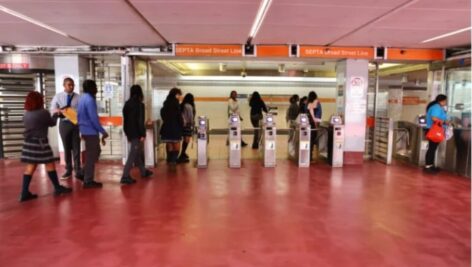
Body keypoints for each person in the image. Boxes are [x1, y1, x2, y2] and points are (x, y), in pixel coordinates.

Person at [19, 92, 72, 202]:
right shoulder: (42, 112)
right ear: (39, 100)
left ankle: (24, 193)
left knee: (30, 167)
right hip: (40, 143)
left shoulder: (26, 114)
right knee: (50, 164)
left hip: (29, 143)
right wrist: (56, 114)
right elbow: (52, 123)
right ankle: (57, 188)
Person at [77, 80, 108, 188]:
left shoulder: (82, 98)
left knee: (95, 152)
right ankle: (88, 180)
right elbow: (94, 119)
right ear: (91, 88)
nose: (97, 89)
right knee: (91, 156)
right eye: (95, 87)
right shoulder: (90, 100)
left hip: (84, 130)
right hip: (90, 131)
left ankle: (82, 173)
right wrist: (103, 131)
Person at [50, 77, 83, 180]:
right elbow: (52, 109)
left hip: (75, 124)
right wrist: (58, 111)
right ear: (64, 85)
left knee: (76, 147)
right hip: (64, 124)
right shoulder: (58, 97)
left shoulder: (78, 97)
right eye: (69, 85)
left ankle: (78, 170)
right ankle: (68, 170)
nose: (71, 86)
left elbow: (82, 110)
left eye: (73, 85)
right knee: (66, 147)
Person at [121, 85, 154, 184]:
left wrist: (127, 133)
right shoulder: (140, 105)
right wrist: (143, 134)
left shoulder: (127, 104)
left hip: (129, 132)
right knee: (133, 154)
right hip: (136, 133)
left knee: (136, 153)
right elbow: (140, 121)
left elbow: (125, 120)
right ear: (140, 93)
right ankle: (125, 176)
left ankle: (143, 171)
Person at [424, 94, 448, 174]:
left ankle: (430, 165)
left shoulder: (435, 107)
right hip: (433, 130)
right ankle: (428, 166)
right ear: (441, 101)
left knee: (432, 148)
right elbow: (434, 118)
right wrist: (444, 121)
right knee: (432, 148)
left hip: (432, 130)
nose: (445, 102)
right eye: (445, 101)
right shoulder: (436, 107)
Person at [160, 88, 184, 165]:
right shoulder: (176, 104)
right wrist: (182, 124)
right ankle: (174, 160)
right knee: (176, 144)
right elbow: (179, 116)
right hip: (175, 127)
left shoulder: (165, 103)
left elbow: (162, 114)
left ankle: (169, 159)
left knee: (169, 143)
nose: (180, 97)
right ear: (176, 95)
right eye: (180, 95)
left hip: (166, 127)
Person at [178, 93, 196, 163]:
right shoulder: (189, 106)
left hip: (182, 125)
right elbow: (191, 116)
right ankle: (182, 154)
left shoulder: (182, 105)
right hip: (188, 125)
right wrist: (192, 123)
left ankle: (183, 153)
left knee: (185, 139)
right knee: (187, 140)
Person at [307, 91, 321, 162]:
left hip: (308, 124)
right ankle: (309, 158)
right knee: (311, 141)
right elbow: (315, 117)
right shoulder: (313, 104)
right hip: (312, 125)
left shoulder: (308, 104)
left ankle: (308, 157)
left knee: (309, 141)